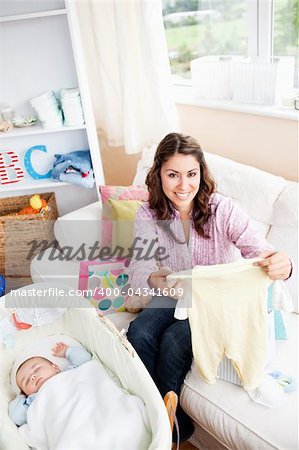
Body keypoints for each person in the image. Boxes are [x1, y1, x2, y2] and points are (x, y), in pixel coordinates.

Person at [126, 132, 292, 442]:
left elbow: (260, 250)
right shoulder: (148, 214)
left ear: (201, 173)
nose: (183, 185)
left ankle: (170, 421)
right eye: (172, 175)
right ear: (158, 174)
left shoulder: (222, 209)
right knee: (140, 333)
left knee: (175, 340)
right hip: (173, 292)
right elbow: (139, 266)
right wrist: (153, 278)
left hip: (214, 301)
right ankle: (158, 408)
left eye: (191, 174)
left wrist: (283, 265)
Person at [9, 342, 91, 426]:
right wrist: (21, 397)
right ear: (26, 394)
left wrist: (68, 351)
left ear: (55, 367)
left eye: (37, 369)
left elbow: (85, 360)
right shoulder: (33, 401)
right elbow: (16, 416)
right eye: (26, 381)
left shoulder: (68, 374)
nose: (32, 377)